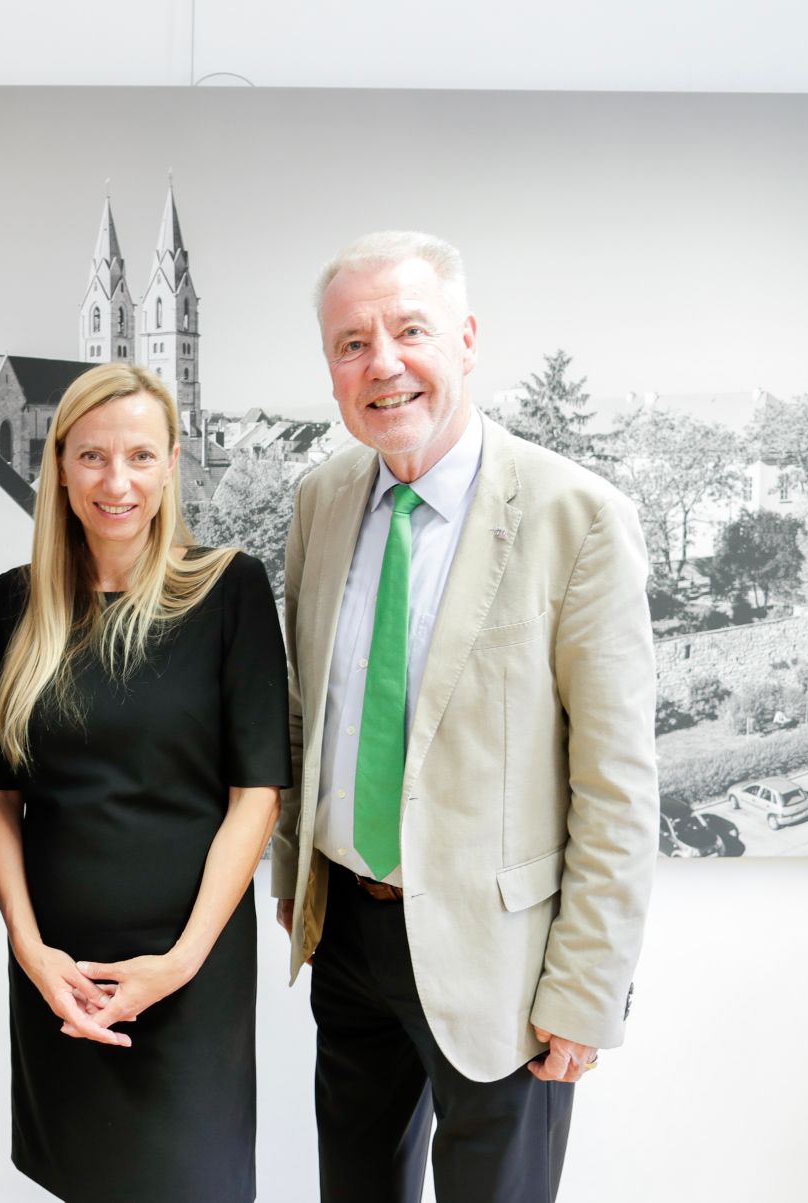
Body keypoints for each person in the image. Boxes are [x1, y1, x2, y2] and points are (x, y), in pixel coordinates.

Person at [272, 231, 659, 1202]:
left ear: (467, 339)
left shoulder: (576, 517)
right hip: (348, 942)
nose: (382, 364)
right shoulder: (319, 503)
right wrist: (294, 878)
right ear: (329, 369)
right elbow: (300, 709)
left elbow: (615, 784)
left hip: (505, 971)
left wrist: (583, 993)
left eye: (408, 331)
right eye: (350, 344)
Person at [0, 363, 290, 1203]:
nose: (118, 482)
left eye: (141, 456)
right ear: (60, 465)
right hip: (58, 972)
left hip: (190, 970)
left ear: (172, 463)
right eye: (93, 457)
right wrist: (31, 951)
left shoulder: (230, 589)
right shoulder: (20, 601)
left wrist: (180, 963)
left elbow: (256, 795)